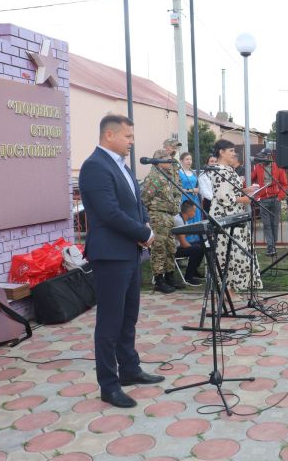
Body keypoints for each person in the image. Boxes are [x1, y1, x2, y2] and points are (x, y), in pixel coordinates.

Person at [78, 114, 164, 409]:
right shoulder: (94, 167)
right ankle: (109, 384)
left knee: (129, 316)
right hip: (110, 254)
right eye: (127, 136)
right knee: (110, 322)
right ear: (109, 136)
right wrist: (144, 233)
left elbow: (136, 204)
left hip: (129, 251)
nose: (132, 141)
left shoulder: (121, 167)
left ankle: (130, 369)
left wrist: (146, 227)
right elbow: (108, 212)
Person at [210, 140, 263, 294]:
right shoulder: (217, 170)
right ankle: (226, 292)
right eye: (231, 150)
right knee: (227, 253)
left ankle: (234, 288)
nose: (234, 154)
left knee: (238, 252)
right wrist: (245, 199)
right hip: (224, 216)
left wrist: (247, 190)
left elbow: (233, 191)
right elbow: (223, 197)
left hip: (235, 214)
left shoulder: (229, 169)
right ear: (221, 152)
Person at [141, 149, 182, 293]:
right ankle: (159, 280)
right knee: (159, 248)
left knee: (171, 247)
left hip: (169, 216)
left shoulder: (168, 176)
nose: (170, 160)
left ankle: (170, 276)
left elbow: (176, 194)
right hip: (158, 217)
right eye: (167, 158)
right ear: (158, 161)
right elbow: (144, 199)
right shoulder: (154, 177)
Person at [251, 148, 288, 256]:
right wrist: (247, 186)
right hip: (263, 200)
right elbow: (251, 179)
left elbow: (284, 184)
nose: (261, 158)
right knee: (266, 224)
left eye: (263, 156)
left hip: (276, 199)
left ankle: (273, 245)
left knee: (274, 224)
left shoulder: (278, 167)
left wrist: (279, 197)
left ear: (269, 156)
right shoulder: (258, 167)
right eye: (260, 156)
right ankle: (270, 247)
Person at [173, 200, 205, 286]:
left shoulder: (183, 219)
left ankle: (194, 270)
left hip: (177, 246)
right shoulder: (179, 221)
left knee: (202, 245)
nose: (195, 214)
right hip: (173, 250)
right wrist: (195, 248)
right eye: (194, 211)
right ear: (189, 212)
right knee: (197, 249)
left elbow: (183, 235)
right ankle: (188, 277)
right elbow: (183, 244)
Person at [178, 152, 202, 243]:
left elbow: (198, 187)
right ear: (181, 161)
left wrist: (197, 190)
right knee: (186, 219)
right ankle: (186, 242)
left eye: (190, 159)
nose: (189, 161)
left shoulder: (193, 172)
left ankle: (197, 241)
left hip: (194, 200)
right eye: (187, 159)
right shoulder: (179, 172)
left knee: (195, 218)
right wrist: (191, 190)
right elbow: (177, 187)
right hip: (185, 199)